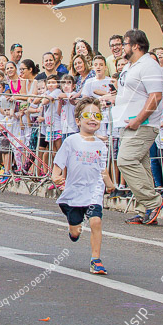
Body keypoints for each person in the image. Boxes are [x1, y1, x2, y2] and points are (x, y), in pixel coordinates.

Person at [51, 96, 115, 275]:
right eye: (88, 115)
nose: (93, 119)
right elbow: (58, 164)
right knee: (76, 230)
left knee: (96, 221)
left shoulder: (101, 146)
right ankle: (73, 230)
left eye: (97, 115)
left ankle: (96, 259)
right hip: (74, 193)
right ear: (78, 121)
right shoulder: (71, 141)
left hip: (94, 192)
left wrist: (110, 185)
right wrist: (56, 176)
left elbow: (104, 171)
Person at [114, 29, 163, 225]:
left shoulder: (149, 65)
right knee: (142, 167)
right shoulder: (130, 66)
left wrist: (138, 119)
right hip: (127, 122)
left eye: (125, 44)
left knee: (125, 160)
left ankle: (153, 201)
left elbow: (155, 96)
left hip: (142, 124)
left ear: (136, 45)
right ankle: (144, 209)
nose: (122, 48)